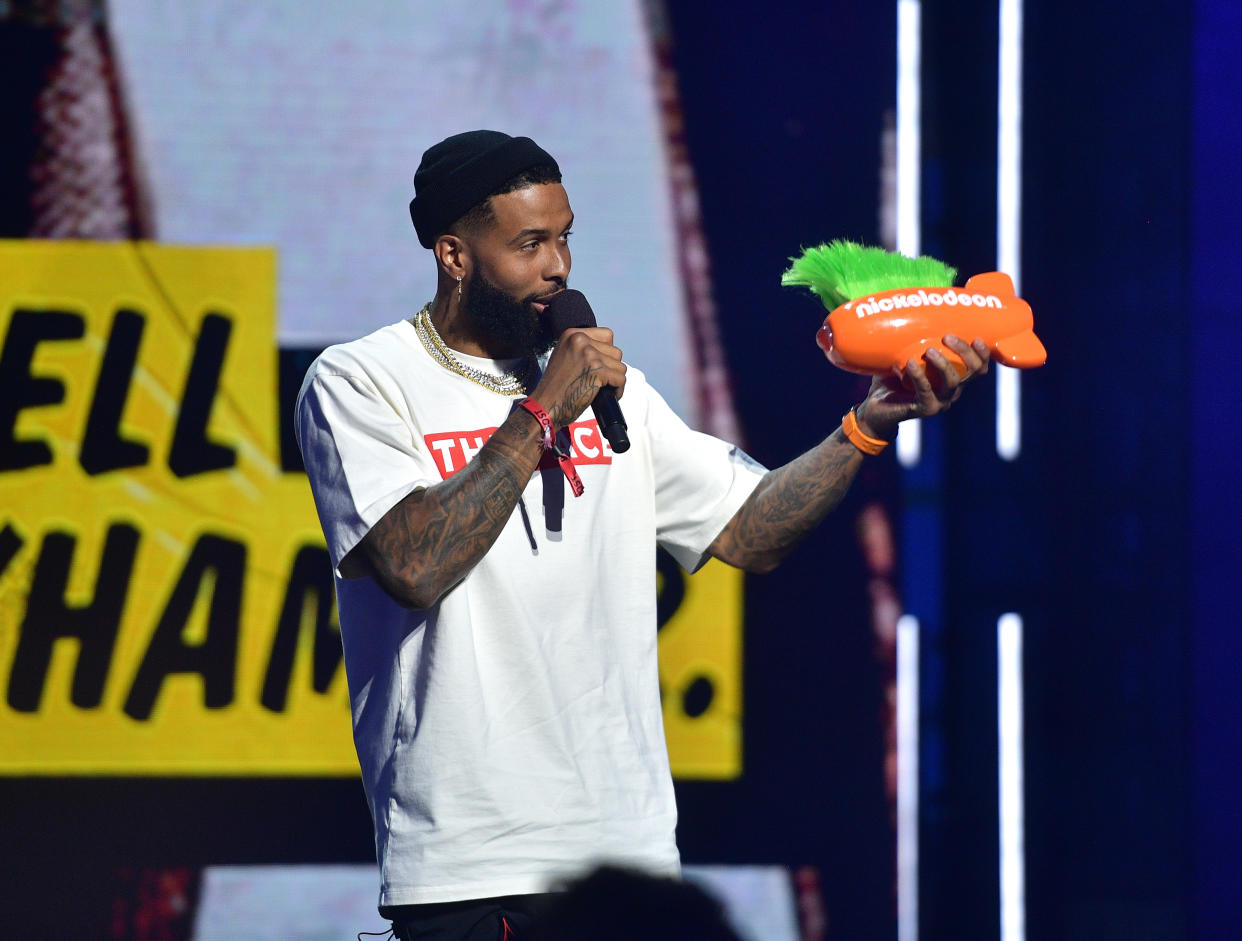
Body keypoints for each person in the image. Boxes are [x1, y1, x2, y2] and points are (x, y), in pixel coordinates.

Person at [295, 130, 991, 940]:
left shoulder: (609, 390)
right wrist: (545, 408)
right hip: (470, 864)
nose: (558, 266)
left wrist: (865, 428)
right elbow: (415, 563)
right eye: (529, 244)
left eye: (564, 237)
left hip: (627, 859)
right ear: (454, 255)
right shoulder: (362, 382)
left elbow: (750, 528)